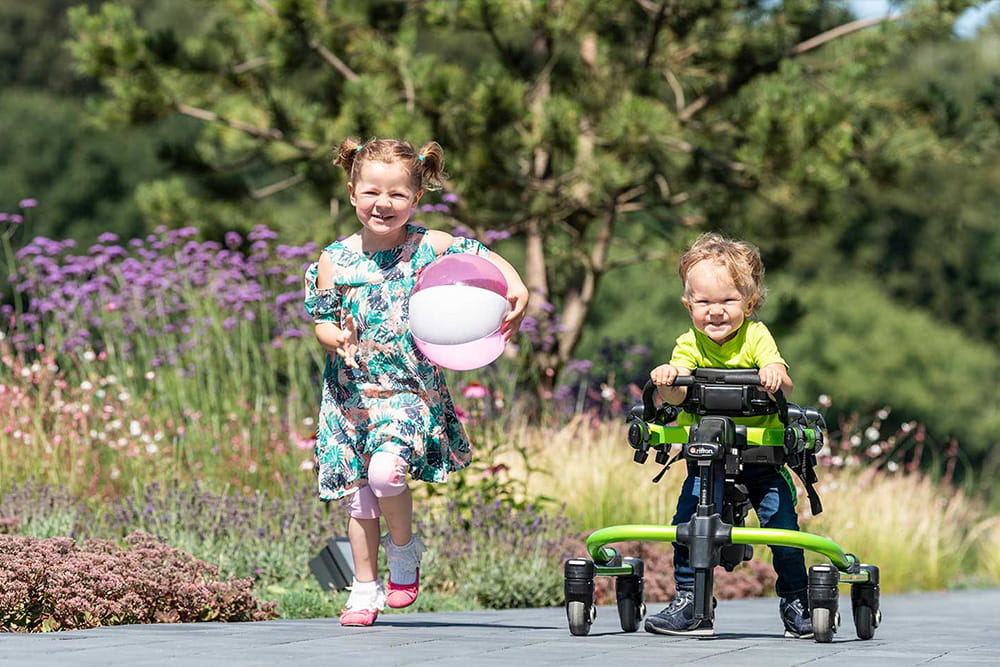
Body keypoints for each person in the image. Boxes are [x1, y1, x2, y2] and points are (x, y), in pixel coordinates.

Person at [303, 137, 529, 627]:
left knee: (386, 473)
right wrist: (333, 336)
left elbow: (486, 257)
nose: (383, 204)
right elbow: (321, 319)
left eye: (397, 195)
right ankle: (364, 589)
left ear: (416, 198)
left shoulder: (428, 245)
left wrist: (516, 284)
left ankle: (403, 551)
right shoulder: (333, 259)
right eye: (371, 193)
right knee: (359, 496)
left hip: (408, 392)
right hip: (349, 397)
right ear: (351, 192)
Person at [643, 232, 813, 639]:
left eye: (728, 301)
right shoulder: (690, 343)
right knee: (686, 524)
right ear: (689, 306)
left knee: (783, 529)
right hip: (707, 458)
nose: (715, 312)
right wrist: (667, 380)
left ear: (749, 304)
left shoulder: (756, 336)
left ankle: (797, 600)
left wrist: (774, 374)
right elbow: (677, 392)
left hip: (761, 460)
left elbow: (783, 384)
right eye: (704, 303)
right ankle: (690, 601)